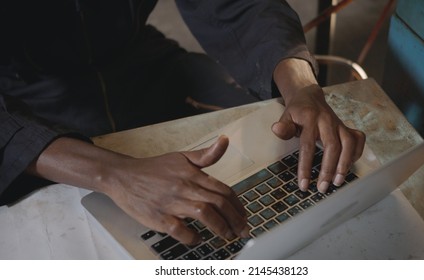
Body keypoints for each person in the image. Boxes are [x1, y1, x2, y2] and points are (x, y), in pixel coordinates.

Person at [0, 0, 365, 245]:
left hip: (141, 62)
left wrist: (300, 84)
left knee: (283, 155)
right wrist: (112, 173)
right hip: (26, 103)